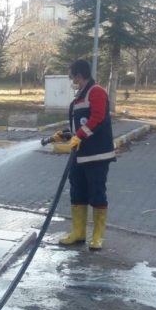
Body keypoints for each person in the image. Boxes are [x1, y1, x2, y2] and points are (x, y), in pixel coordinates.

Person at [52, 59, 115, 249]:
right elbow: (80, 123)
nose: (72, 80)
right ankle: (78, 233)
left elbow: (98, 118)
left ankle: (97, 237)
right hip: (79, 156)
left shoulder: (96, 92)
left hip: (96, 155)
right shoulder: (80, 96)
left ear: (79, 75)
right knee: (77, 193)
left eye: (73, 77)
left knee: (97, 194)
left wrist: (79, 135)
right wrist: (65, 134)